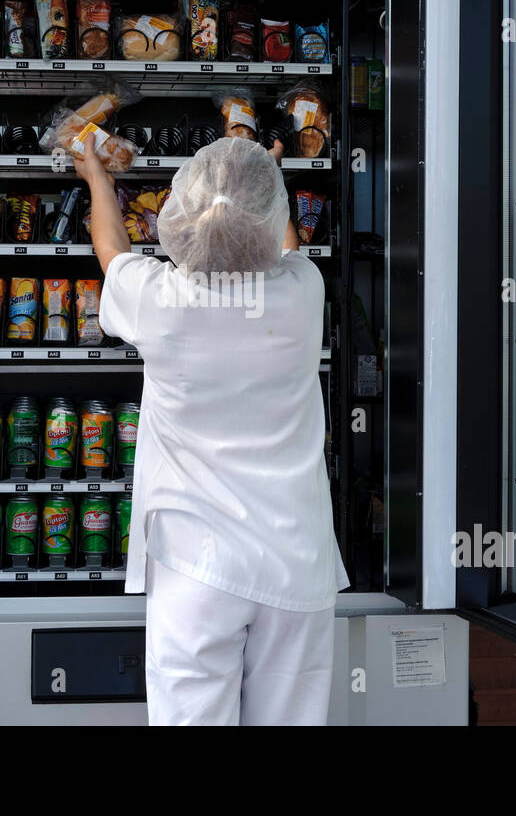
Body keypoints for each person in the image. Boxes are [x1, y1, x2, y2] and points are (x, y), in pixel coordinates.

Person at [77, 133, 348, 726]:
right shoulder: (304, 292)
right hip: (295, 559)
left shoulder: (161, 301)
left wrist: (99, 179)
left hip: (196, 563)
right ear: (268, 213)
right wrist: (262, 180)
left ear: (182, 213)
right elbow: (282, 243)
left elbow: (112, 252)